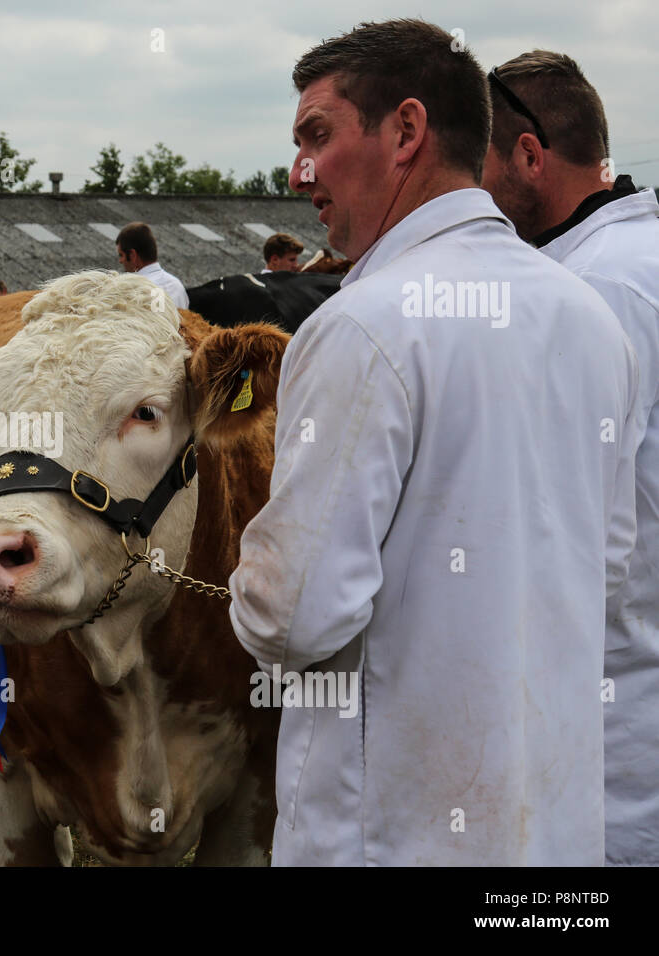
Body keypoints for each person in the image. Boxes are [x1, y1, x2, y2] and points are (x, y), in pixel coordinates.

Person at [227, 19, 638, 865]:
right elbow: (609, 561)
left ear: (407, 131)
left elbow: (296, 613)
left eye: (317, 135)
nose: (299, 172)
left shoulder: (361, 328)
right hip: (553, 832)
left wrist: (244, 586)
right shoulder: (588, 316)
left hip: (390, 827)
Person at [483, 50, 659, 867]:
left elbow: (577, 545)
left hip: (614, 719)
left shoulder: (589, 292)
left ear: (528, 156)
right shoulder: (637, 262)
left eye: (479, 165)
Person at [115, 222, 189, 309]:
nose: (120, 261)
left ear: (132, 255)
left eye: (121, 255)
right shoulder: (177, 285)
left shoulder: (134, 290)